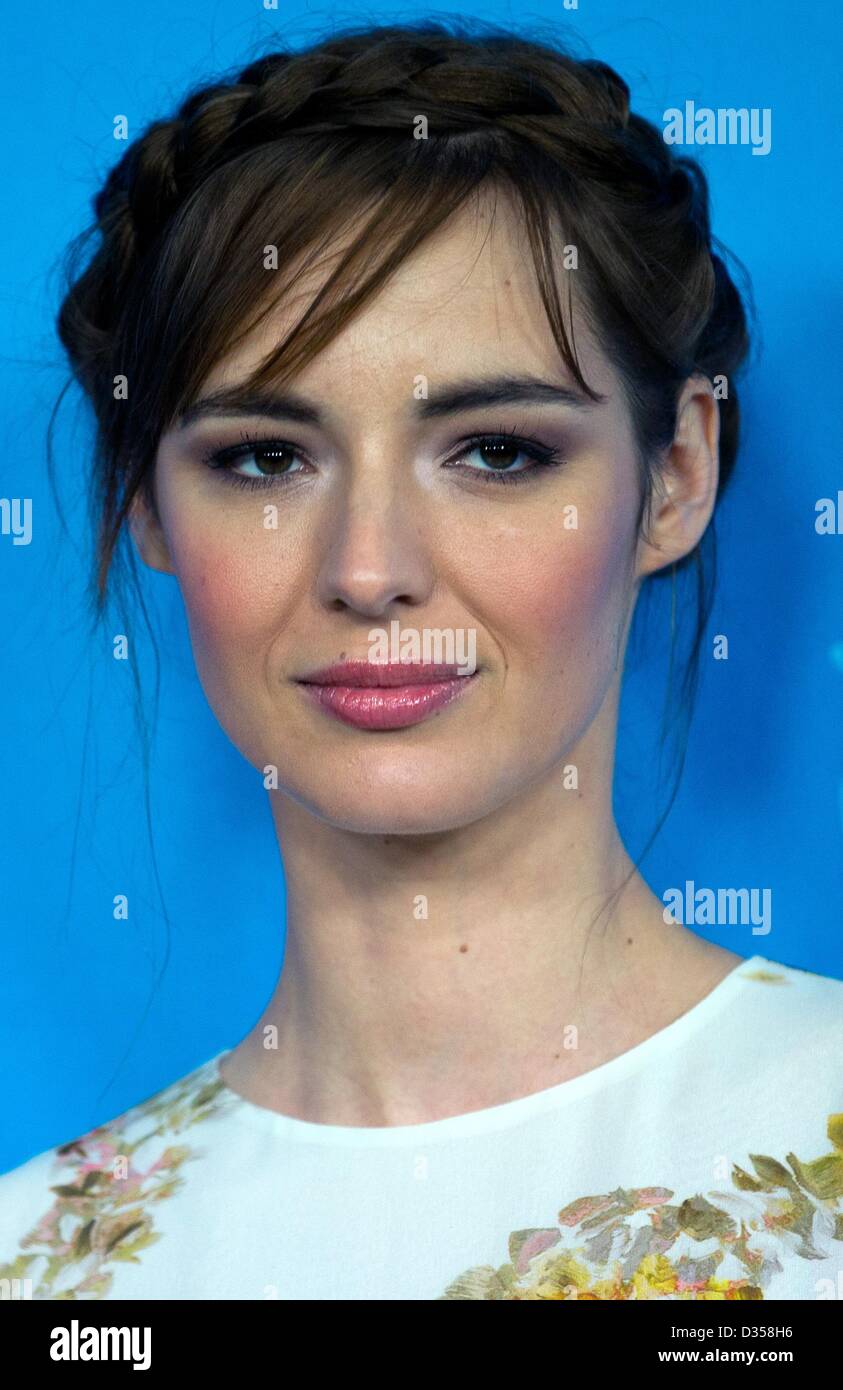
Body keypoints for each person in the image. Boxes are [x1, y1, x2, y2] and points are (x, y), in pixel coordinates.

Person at [1, 21, 840, 1302]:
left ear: (677, 476)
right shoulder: (32, 1262)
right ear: (148, 510)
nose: (370, 566)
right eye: (265, 458)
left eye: (497, 450)